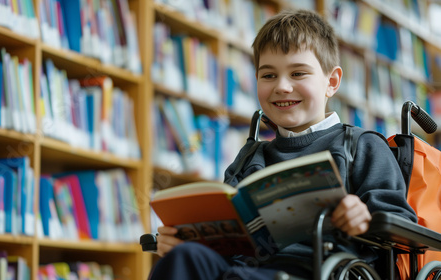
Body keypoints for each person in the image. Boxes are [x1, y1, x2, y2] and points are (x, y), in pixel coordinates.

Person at [150, 9, 417, 279]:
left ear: (332, 82)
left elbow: (401, 224)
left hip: (324, 271)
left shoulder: (362, 146)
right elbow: (228, 238)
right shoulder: (249, 157)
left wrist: (364, 217)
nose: (282, 87)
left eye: (298, 73)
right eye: (268, 76)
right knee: (184, 257)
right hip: (248, 269)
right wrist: (186, 240)